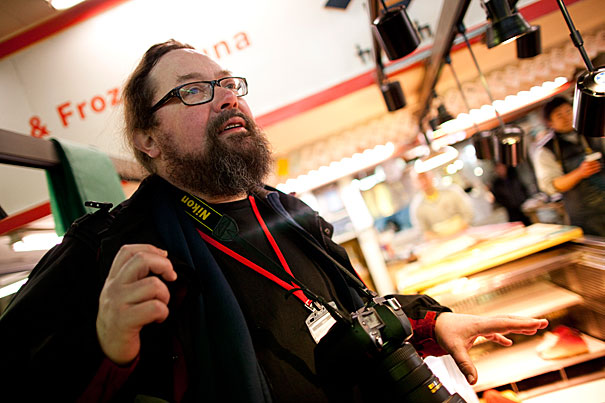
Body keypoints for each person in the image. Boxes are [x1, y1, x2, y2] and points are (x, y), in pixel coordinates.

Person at [0, 39, 548, 402]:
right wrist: (105, 343)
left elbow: (352, 313)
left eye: (228, 83)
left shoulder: (288, 211)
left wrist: (429, 323)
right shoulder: (108, 246)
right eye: (193, 90)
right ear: (147, 140)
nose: (225, 98)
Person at [533, 96, 605, 236]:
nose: (566, 117)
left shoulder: (593, 130)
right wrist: (580, 173)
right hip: (586, 217)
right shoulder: (545, 150)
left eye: (568, 111)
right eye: (559, 115)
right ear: (550, 122)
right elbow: (552, 185)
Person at [410, 169, 474, 239]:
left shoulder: (452, 191)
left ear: (431, 176)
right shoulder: (417, 207)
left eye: (424, 177)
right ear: (414, 183)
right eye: (419, 179)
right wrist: (443, 239)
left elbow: (468, 214)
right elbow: (424, 232)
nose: (423, 182)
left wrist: (458, 233)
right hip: (440, 242)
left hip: (464, 235)